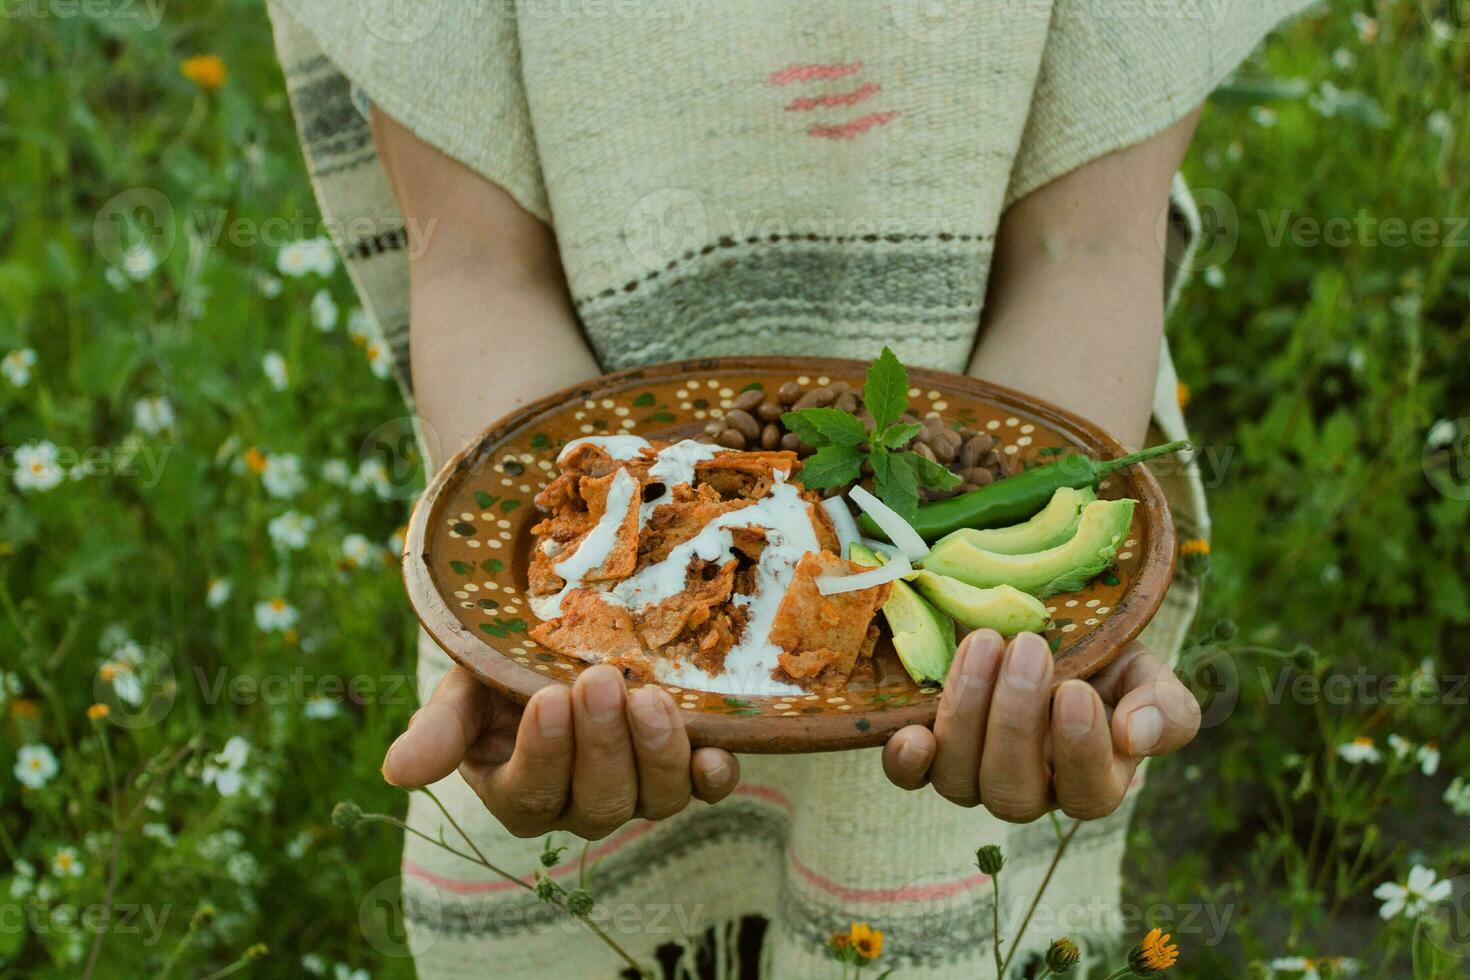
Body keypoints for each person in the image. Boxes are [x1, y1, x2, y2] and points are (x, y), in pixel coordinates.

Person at [268, 2, 1307, 975]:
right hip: (582, 670)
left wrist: (1056, 619)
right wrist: (549, 628)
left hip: (949, 727)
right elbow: (478, 262)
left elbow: (1081, 241)